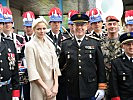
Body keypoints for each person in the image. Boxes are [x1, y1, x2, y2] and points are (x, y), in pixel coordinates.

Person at [59, 13, 106, 100]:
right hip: (72, 89)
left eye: (82, 25)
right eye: (77, 25)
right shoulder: (66, 44)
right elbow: (60, 66)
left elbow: (101, 67)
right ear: (73, 26)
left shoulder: (94, 43)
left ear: (87, 26)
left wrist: (101, 87)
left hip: (90, 88)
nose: (79, 28)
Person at [25, 17, 61, 100]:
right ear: (34, 30)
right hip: (38, 86)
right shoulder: (30, 46)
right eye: (39, 29)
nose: (42, 31)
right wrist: (46, 88)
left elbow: (55, 66)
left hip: (52, 86)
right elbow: (32, 71)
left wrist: (56, 85)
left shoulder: (50, 44)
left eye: (44, 28)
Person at [47, 7, 67, 100]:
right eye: (54, 22)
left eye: (58, 22)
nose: (57, 25)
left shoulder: (66, 38)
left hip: (62, 72)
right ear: (50, 23)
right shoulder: (45, 37)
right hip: (49, 73)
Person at [0, 5, 20, 100]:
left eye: (1, 23)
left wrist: (16, 92)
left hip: (6, 90)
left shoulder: (10, 43)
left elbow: (15, 70)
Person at [101, 16, 122, 100]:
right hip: (105, 82)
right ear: (106, 26)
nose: (112, 26)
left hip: (120, 83)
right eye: (109, 24)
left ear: (118, 26)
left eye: (114, 24)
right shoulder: (100, 42)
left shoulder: (124, 42)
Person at [109, 32, 133, 100]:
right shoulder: (116, 63)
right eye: (128, 45)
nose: (131, 47)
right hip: (124, 97)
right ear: (122, 46)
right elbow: (113, 84)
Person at [20, 11, 35, 100]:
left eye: (30, 26)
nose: (28, 29)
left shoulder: (38, 39)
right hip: (25, 74)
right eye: (27, 26)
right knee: (26, 95)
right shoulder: (20, 40)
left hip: (37, 74)